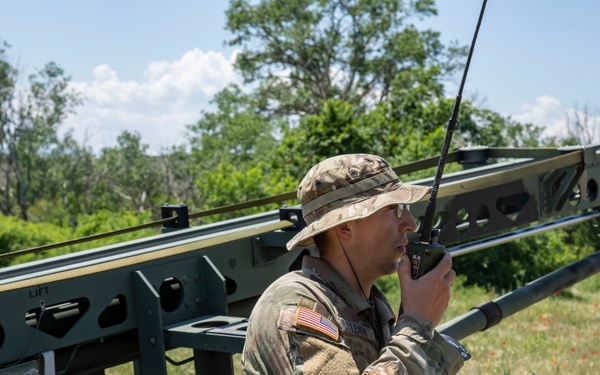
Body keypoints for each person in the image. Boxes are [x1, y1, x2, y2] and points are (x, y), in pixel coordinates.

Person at [242, 153, 465, 374]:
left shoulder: (371, 305)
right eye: (395, 209)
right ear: (344, 226)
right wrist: (416, 324)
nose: (410, 224)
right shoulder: (297, 305)